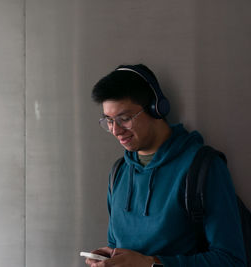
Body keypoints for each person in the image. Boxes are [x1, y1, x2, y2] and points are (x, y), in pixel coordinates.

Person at [85, 64, 246, 267]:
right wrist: (110, 258)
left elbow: (231, 260)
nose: (116, 130)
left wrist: (151, 263)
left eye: (124, 119)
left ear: (157, 108)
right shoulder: (119, 172)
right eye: (108, 121)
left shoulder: (202, 167)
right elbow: (117, 244)